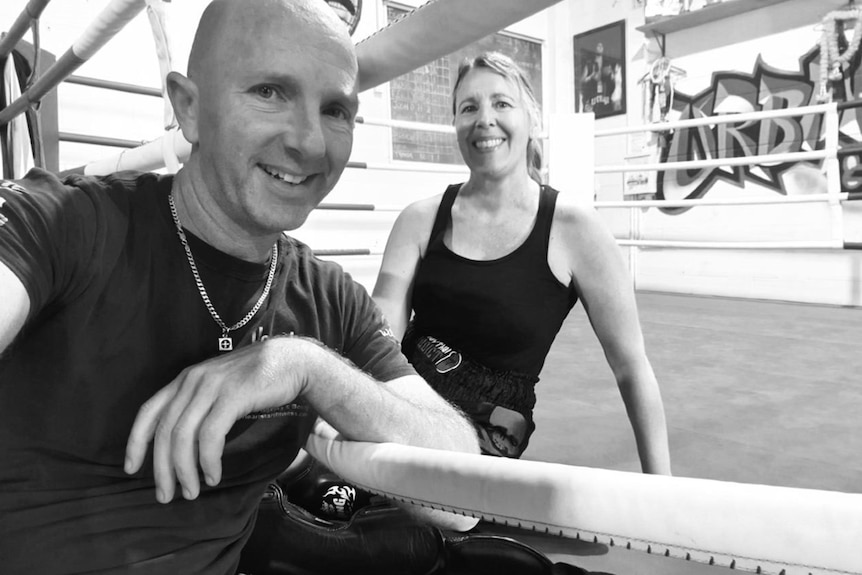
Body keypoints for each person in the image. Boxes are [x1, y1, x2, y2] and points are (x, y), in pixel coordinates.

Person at [0, 0, 479, 573]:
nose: (309, 143)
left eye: (335, 110)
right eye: (269, 91)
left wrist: (304, 367)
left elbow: (460, 497)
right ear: (189, 109)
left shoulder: (326, 300)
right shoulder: (64, 225)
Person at [373, 52, 671, 473]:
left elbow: (631, 366)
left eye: (501, 103)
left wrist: (665, 489)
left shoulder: (576, 229)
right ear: (456, 123)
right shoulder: (419, 220)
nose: (484, 118)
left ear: (533, 120)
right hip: (406, 399)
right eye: (468, 107)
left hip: (484, 430)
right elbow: (381, 339)